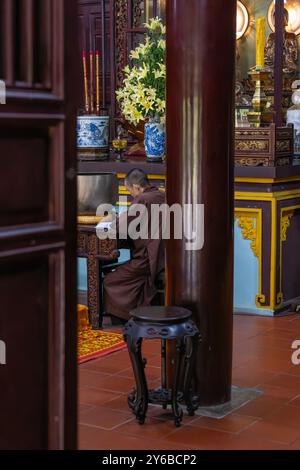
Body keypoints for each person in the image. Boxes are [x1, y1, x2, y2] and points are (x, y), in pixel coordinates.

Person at [103, 169, 165, 323]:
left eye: (129, 189)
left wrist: (114, 220)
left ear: (136, 186)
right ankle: (140, 310)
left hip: (148, 259)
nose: (130, 193)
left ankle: (125, 317)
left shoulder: (142, 199)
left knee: (110, 280)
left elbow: (123, 227)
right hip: (165, 257)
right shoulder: (163, 195)